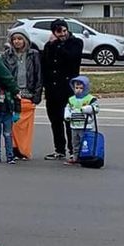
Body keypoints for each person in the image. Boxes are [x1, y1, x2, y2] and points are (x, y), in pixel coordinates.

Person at [41, 19, 84, 160]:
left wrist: (58, 45)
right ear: (53, 32)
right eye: (59, 31)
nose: (62, 34)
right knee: (55, 120)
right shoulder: (50, 46)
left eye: (64, 30)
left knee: (69, 120)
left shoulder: (76, 43)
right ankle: (59, 149)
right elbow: (45, 64)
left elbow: (71, 58)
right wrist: (51, 44)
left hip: (68, 89)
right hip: (52, 89)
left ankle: (73, 150)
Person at [2, 29, 42, 161]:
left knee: (25, 126)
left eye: (20, 38)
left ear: (25, 40)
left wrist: (37, 94)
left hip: (28, 93)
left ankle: (24, 150)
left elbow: (38, 75)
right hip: (13, 93)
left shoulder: (34, 54)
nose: (17, 41)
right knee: (12, 124)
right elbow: (3, 75)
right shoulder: (6, 55)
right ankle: (13, 149)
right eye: (14, 39)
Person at [65, 74, 100, 163]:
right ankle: (75, 157)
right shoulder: (71, 99)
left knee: (85, 143)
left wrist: (87, 109)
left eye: (81, 88)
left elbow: (96, 108)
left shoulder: (90, 99)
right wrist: (67, 115)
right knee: (75, 143)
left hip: (86, 125)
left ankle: (85, 156)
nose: (78, 90)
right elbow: (68, 108)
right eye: (76, 88)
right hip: (74, 125)